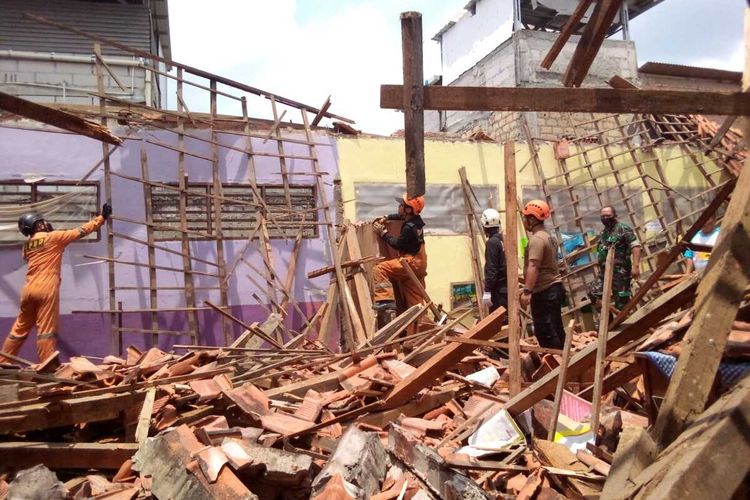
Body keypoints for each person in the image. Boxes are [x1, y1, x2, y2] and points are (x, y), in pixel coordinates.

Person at [0, 204, 111, 363]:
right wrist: (102, 218)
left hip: (28, 289)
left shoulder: (26, 247)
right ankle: (47, 364)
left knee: (19, 328)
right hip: (46, 287)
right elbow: (81, 231)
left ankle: (3, 362)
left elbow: (37, 252)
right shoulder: (54, 238)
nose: (46, 223)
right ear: (38, 224)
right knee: (46, 329)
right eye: (42, 222)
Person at [371, 195, 427, 325]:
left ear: (408, 210)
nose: (399, 206)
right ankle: (422, 330)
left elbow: (397, 244)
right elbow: (401, 216)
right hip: (420, 263)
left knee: (379, 269)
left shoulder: (408, 228)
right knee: (416, 304)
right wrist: (387, 217)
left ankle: (385, 303)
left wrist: (383, 232)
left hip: (410, 262)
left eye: (402, 205)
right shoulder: (416, 220)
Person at [519, 199, 566, 349]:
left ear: (532, 219)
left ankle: (556, 367)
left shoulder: (537, 240)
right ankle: (564, 363)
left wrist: (527, 291)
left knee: (545, 332)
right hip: (554, 288)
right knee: (556, 328)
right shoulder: (549, 237)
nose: (524, 221)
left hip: (545, 291)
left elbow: (534, 265)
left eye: (526, 217)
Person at [588, 206, 642, 311]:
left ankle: (623, 324)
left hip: (620, 272)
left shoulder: (622, 228)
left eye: (608, 215)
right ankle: (609, 320)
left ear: (615, 216)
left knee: (621, 301)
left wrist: (635, 267)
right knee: (593, 293)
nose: (605, 218)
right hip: (604, 272)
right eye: (603, 216)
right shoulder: (603, 233)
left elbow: (635, 246)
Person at [481, 208, 508, 313]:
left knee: (499, 325)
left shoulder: (492, 243)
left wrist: (487, 290)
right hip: (506, 289)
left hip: (498, 292)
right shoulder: (502, 240)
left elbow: (492, 269)